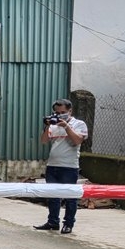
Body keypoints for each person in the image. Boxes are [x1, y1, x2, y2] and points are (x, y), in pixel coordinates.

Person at [34, 98, 88, 235]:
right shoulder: (54, 124)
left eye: (63, 112)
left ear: (70, 111)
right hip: (52, 165)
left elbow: (77, 141)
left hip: (69, 166)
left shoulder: (79, 124)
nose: (60, 115)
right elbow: (44, 141)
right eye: (57, 112)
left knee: (70, 197)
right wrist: (47, 126)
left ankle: (68, 224)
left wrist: (66, 126)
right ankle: (53, 222)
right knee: (53, 195)